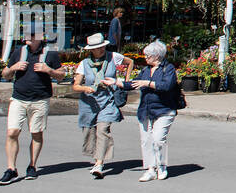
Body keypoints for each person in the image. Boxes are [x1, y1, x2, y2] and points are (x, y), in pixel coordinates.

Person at [0, 24, 64, 185]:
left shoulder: (50, 53)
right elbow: (5, 74)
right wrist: (13, 68)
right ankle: (11, 169)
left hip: (40, 99)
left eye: (31, 34)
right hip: (18, 98)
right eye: (26, 33)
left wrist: (49, 70)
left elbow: (61, 75)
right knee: (12, 132)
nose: (26, 37)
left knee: (36, 133)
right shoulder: (18, 52)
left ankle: (32, 166)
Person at [72, 32, 132, 178]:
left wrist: (125, 82)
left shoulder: (113, 57)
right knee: (90, 132)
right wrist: (85, 88)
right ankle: (96, 158)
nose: (101, 49)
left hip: (108, 100)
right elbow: (76, 86)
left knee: (103, 129)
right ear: (91, 50)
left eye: (102, 46)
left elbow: (130, 62)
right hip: (90, 102)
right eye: (98, 48)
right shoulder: (84, 64)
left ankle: (99, 163)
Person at [126, 40, 180, 182]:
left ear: (156, 56)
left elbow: (167, 85)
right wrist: (116, 83)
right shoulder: (145, 70)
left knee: (158, 139)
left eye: (148, 56)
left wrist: (147, 83)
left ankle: (161, 166)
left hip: (164, 109)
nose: (145, 58)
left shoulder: (167, 69)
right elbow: (133, 83)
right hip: (146, 110)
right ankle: (150, 169)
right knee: (146, 140)